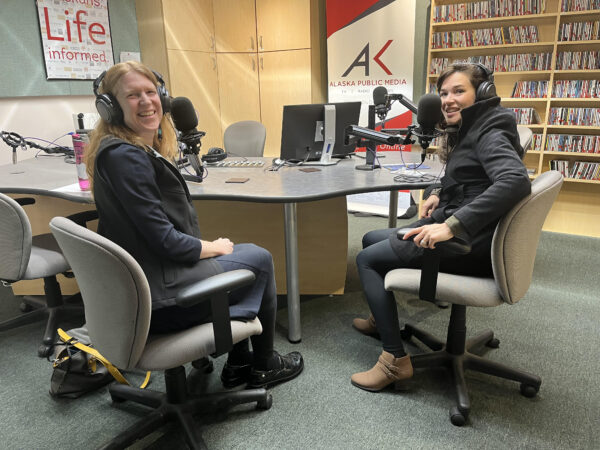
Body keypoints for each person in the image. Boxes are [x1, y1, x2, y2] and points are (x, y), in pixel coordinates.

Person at [84, 61, 303, 389]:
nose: (146, 101)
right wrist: (212, 247)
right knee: (259, 259)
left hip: (143, 283)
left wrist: (209, 251)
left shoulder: (122, 150)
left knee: (232, 260)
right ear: (111, 107)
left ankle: (240, 361)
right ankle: (263, 365)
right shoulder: (126, 158)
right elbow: (166, 241)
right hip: (159, 298)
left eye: (150, 92)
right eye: (132, 95)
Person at [350, 63, 531, 392]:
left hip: (467, 244)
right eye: (444, 92)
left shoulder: (489, 132)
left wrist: (452, 225)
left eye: (458, 91)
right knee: (370, 237)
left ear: (483, 94)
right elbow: (466, 176)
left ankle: (393, 361)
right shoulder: (473, 127)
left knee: (366, 260)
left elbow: (514, 180)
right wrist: (436, 193)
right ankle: (382, 319)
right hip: (468, 231)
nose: (447, 99)